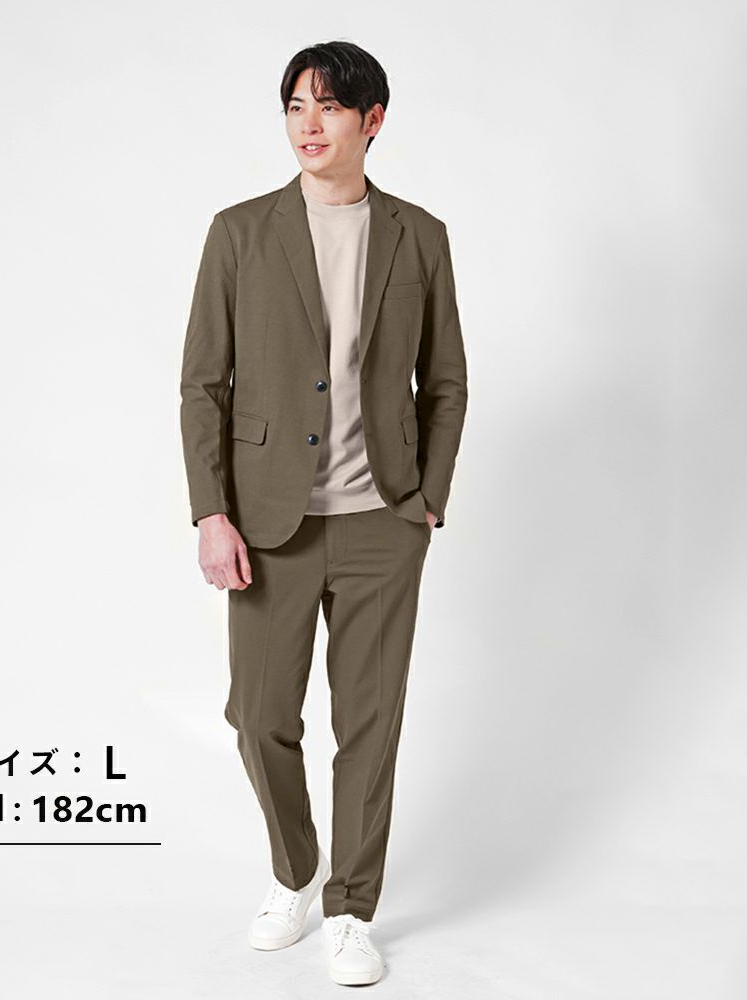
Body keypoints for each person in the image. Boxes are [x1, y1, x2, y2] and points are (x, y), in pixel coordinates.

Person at [179, 40, 468, 987]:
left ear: (371, 121)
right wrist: (211, 513)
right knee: (258, 713)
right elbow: (203, 386)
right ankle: (296, 870)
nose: (309, 124)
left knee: (370, 724)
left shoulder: (420, 236)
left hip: (384, 520)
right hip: (270, 522)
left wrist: (426, 499)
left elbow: (446, 381)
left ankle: (350, 907)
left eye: (330, 107)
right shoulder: (240, 233)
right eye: (296, 105)